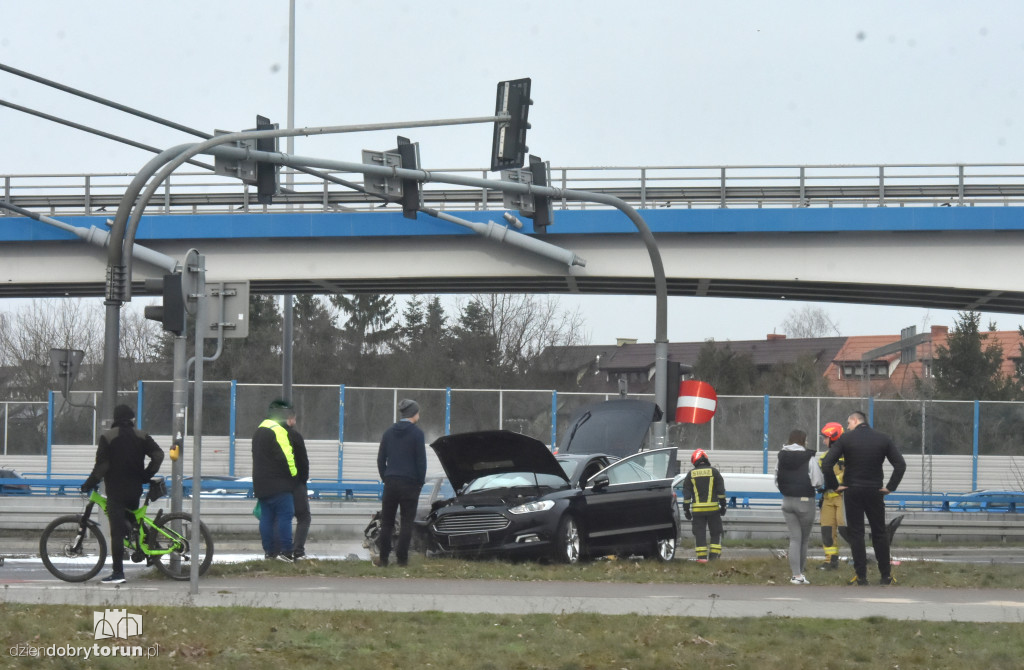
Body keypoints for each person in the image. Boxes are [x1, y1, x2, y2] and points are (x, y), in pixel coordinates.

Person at [80, 404, 164, 584]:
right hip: (135, 489)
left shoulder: (107, 437)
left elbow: (102, 466)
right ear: (131, 419)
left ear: (115, 419)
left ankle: (118, 574)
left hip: (116, 491)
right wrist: (145, 475)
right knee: (133, 521)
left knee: (117, 532)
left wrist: (88, 484)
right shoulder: (141, 435)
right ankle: (150, 549)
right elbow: (158, 455)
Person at [821, 410, 907, 586]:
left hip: (852, 490)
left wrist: (835, 486)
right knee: (879, 533)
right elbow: (900, 464)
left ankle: (861, 576)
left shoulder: (846, 439)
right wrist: (890, 487)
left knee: (857, 533)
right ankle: (885, 576)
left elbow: (827, 463)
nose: (847, 427)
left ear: (854, 421)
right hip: (875, 490)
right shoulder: (883, 438)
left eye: (848, 423)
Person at [375, 398, 427, 568]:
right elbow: (421, 462)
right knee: (406, 522)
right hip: (410, 484)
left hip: (391, 482)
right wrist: (419, 482)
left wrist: (386, 477)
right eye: (418, 412)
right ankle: (402, 559)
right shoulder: (417, 434)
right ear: (413, 413)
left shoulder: (388, 433)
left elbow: (381, 459)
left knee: (387, 522)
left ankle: (383, 558)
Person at [252, 399, 299, 563]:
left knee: (266, 518)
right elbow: (288, 457)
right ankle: (286, 552)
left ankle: (269, 553)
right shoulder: (278, 430)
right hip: (279, 484)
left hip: (260, 482)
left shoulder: (259, 430)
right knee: (285, 516)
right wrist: (294, 475)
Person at [775, 429, 824, 585]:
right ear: (804, 440)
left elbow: (776, 479)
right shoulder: (809, 458)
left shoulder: (781, 457)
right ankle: (800, 575)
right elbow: (817, 481)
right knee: (803, 539)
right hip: (805, 502)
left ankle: (796, 574)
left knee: (794, 538)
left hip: (787, 501)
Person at [680, 448, 726, 563]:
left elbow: (686, 497)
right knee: (716, 532)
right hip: (713, 510)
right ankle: (714, 557)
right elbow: (721, 492)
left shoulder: (690, 474)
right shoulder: (714, 472)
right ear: (705, 458)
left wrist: (686, 510)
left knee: (699, 534)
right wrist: (723, 506)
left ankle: (701, 559)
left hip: (697, 511)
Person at [817, 421, 848, 571]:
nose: (823, 441)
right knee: (827, 530)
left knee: (846, 528)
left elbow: (849, 476)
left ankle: (859, 558)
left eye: (825, 438)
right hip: (828, 498)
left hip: (843, 498)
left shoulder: (850, 455)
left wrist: (833, 481)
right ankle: (830, 561)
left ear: (834, 437)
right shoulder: (823, 458)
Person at [288, 411, 311, 561]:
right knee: (304, 517)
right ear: (290, 419)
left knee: (282, 517)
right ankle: (298, 550)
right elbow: (303, 461)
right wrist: (303, 480)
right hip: (296, 484)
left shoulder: (270, 435)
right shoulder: (295, 436)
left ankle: (278, 551)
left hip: (277, 484)